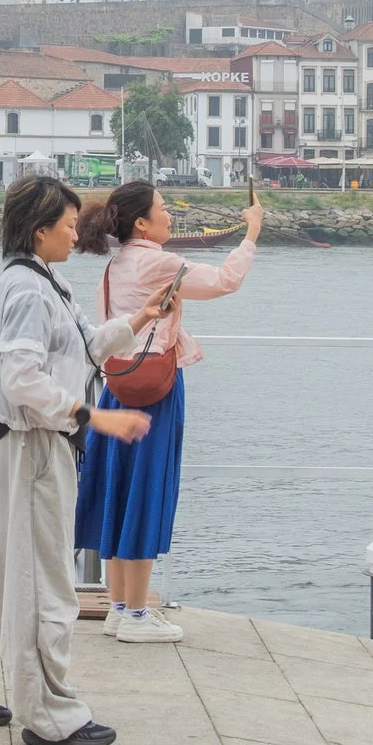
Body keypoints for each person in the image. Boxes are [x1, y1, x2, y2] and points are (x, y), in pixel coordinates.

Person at [0, 174, 172, 745]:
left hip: (19, 447)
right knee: (40, 583)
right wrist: (93, 416)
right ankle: (49, 713)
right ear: (39, 232)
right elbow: (22, 380)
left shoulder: (42, 282)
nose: (74, 234)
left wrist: (138, 320)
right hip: (33, 446)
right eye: (65, 226)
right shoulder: (29, 292)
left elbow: (85, 344)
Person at [72, 180, 262, 643]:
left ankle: (119, 607)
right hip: (155, 387)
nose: (170, 215)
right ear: (142, 222)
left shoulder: (115, 265)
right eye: (162, 208)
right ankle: (137, 614)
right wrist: (251, 233)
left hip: (116, 384)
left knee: (119, 490)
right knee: (148, 489)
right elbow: (224, 282)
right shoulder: (159, 262)